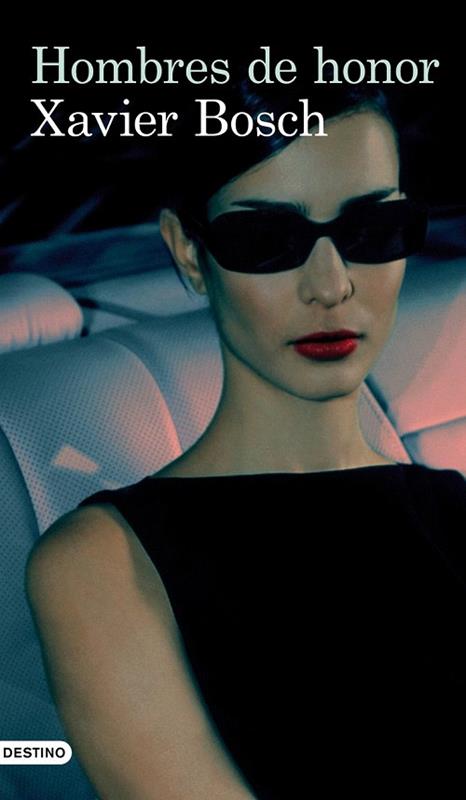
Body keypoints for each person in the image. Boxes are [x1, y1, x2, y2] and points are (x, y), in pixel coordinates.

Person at [26, 52, 466, 799]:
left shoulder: (454, 507)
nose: (331, 285)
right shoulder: (102, 565)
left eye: (372, 229)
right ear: (188, 252)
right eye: (265, 241)